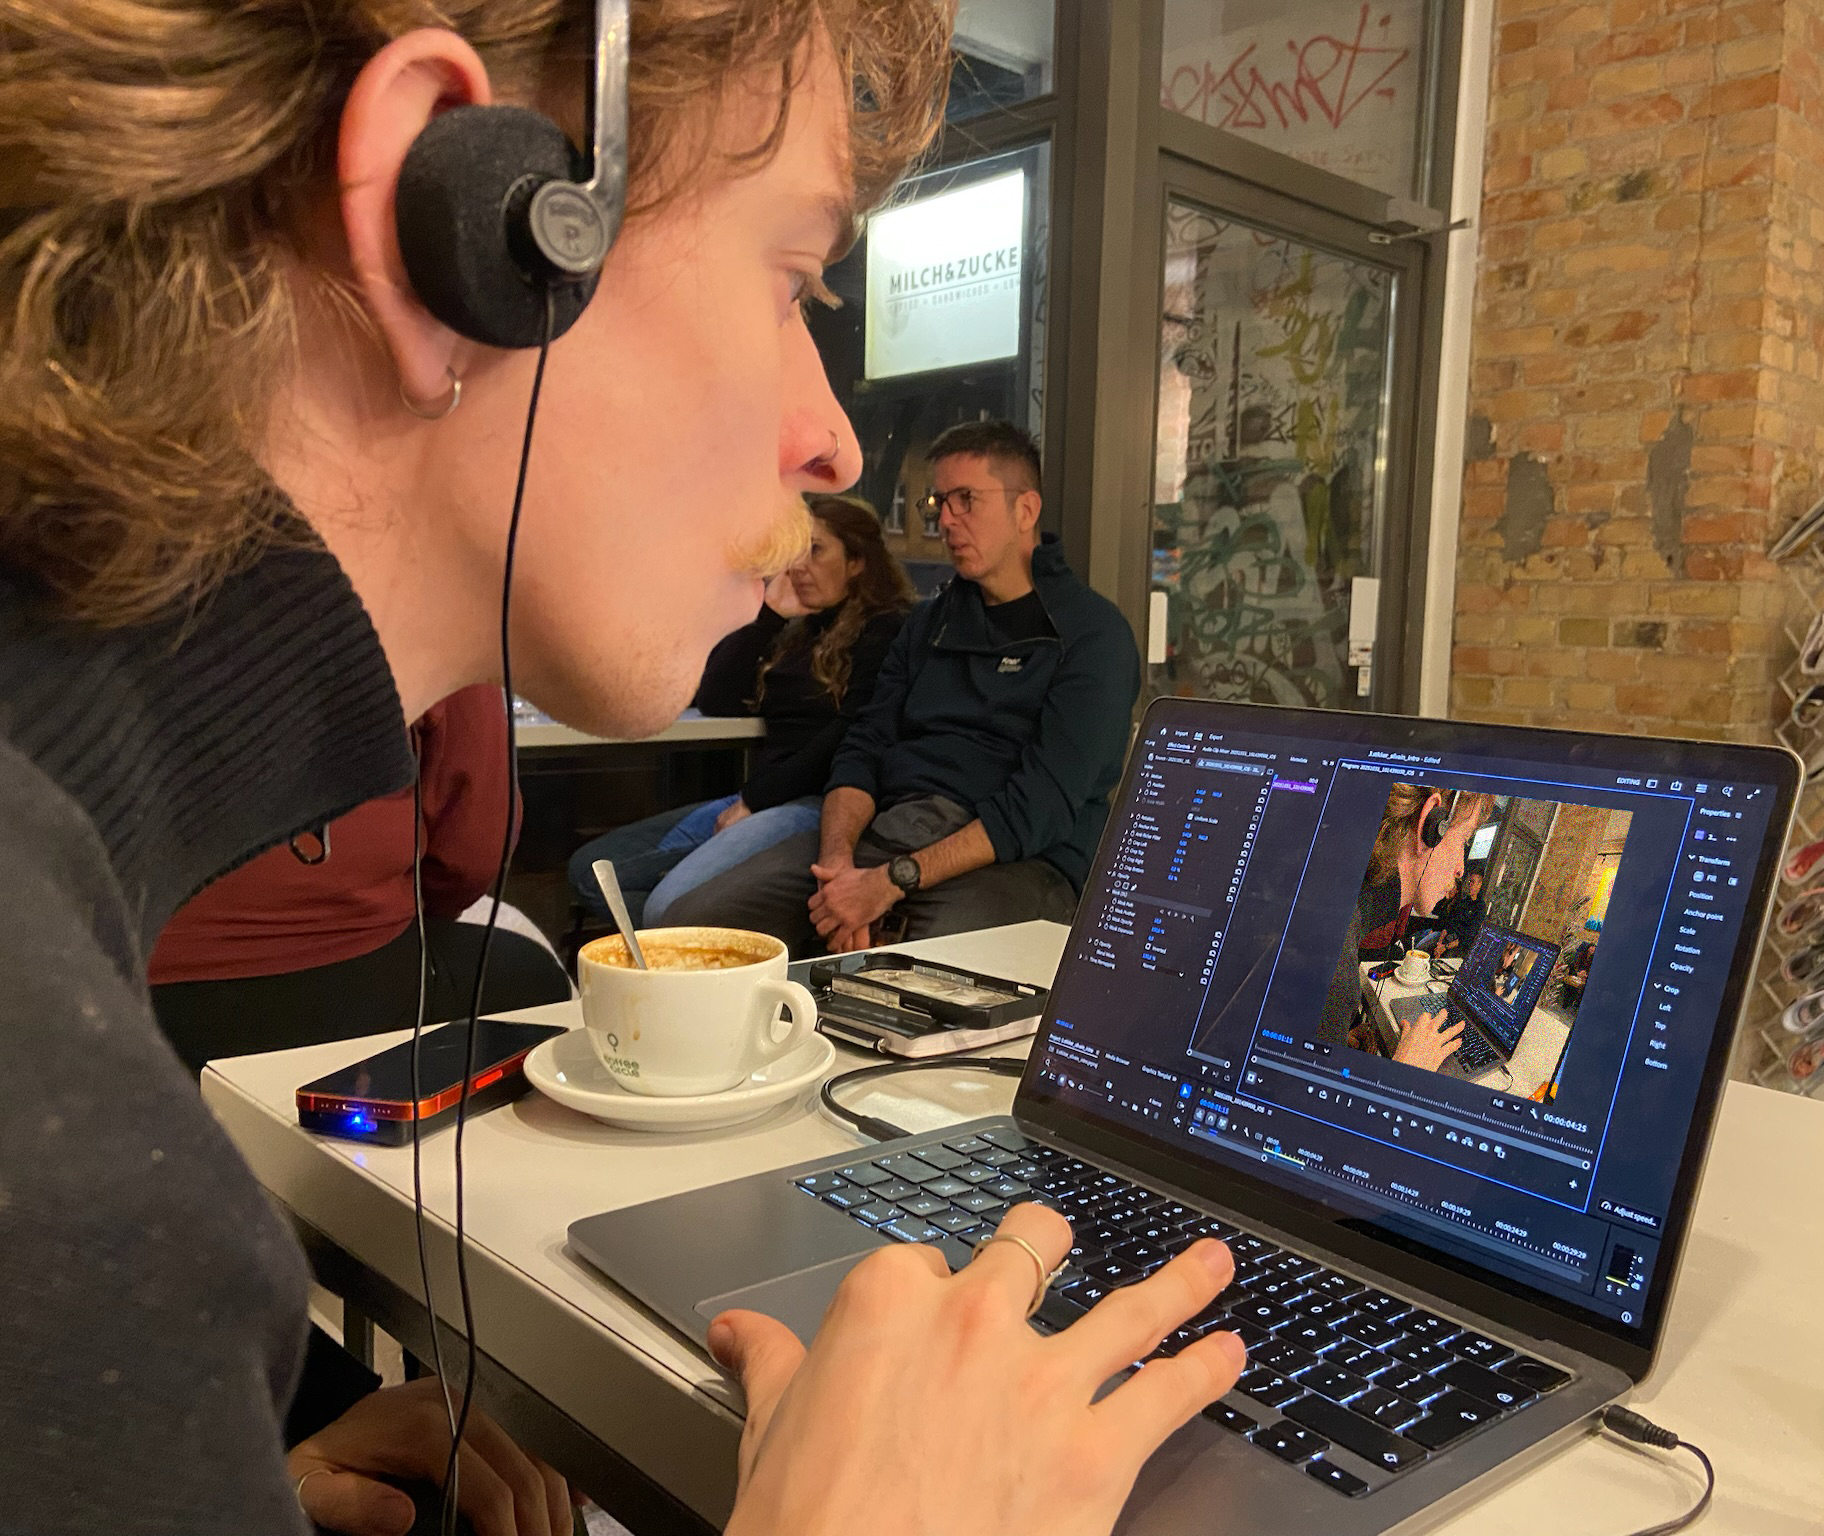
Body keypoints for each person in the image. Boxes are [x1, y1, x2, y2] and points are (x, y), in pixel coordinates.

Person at [0, 7, 1244, 1536]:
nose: (833, 440)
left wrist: (245, 1474)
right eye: (794, 281)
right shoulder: (59, 1185)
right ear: (461, 216)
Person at [664, 419, 1142, 956]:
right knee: (693, 925)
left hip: (1017, 858)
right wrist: (840, 864)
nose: (947, 521)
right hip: (888, 831)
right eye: (939, 503)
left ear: (1024, 510)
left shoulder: (1092, 633)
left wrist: (887, 883)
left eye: (967, 500)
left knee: (911, 975)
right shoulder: (928, 623)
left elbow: (1040, 808)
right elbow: (863, 747)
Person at [150, 685, 571, 1074]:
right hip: (345, 974)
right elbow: (475, 847)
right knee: (532, 977)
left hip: (124, 984)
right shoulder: (427, 612)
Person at [566, 496, 911, 925]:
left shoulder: (888, 628)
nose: (799, 565)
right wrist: (768, 614)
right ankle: (711, 935)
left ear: (858, 562)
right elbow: (716, 697)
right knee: (591, 871)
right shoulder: (802, 630)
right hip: (763, 796)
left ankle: (705, 939)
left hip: (820, 803)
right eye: (795, 552)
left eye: (816, 550)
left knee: (658, 904)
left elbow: (849, 734)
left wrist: (755, 800)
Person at [1317, 785, 1495, 1070]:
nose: (1461, 868)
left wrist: (1336, 1038)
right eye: (1463, 841)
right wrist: (1407, 1066)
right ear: (1430, 823)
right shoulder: (1334, 972)